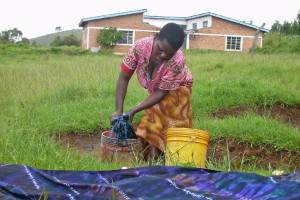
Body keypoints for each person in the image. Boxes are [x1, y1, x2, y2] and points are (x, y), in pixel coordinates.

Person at [109, 23, 193, 162]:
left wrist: (133, 111)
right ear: (157, 37)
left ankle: (153, 162)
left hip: (179, 90)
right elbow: (124, 77)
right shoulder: (140, 47)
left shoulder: (177, 60)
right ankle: (151, 160)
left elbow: (161, 92)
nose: (163, 55)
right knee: (154, 120)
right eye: (160, 49)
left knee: (155, 116)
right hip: (159, 91)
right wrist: (119, 110)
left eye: (169, 53)